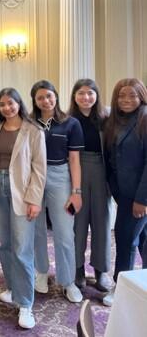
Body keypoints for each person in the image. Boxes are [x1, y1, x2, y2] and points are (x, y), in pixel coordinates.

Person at [0, 88, 46, 329]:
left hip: (23, 192)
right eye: (2, 104)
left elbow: (39, 169)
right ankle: (13, 289)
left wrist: (34, 200)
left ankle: (25, 303)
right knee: (6, 245)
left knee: (23, 248)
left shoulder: (33, 130)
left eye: (10, 103)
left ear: (19, 104)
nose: (6, 108)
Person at [30, 80, 84, 303]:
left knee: (64, 232)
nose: (45, 100)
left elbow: (74, 159)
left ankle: (67, 281)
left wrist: (76, 191)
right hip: (33, 176)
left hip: (60, 175)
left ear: (56, 97)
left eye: (49, 96)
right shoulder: (29, 123)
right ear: (34, 100)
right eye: (40, 97)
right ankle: (41, 272)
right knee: (36, 229)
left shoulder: (70, 123)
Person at [102, 78, 147, 306]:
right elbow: (112, 158)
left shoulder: (145, 119)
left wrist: (142, 199)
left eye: (132, 95)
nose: (127, 100)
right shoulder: (115, 120)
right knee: (143, 239)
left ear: (141, 96)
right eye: (121, 95)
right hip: (123, 192)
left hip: (140, 196)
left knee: (125, 238)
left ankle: (120, 287)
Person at [68, 79, 112, 292]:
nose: (86, 97)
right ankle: (77, 268)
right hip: (76, 171)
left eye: (90, 93)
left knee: (101, 222)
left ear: (96, 95)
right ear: (74, 96)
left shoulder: (106, 119)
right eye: (81, 93)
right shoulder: (67, 120)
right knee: (78, 223)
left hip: (101, 169)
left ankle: (101, 270)